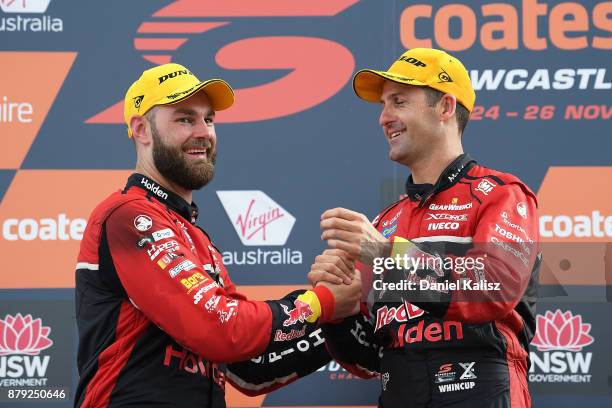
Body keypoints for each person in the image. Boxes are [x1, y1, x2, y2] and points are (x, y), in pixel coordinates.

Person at [74, 63, 360, 408]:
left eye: (208, 119)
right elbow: (219, 328)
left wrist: (338, 314)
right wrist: (320, 303)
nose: (203, 132)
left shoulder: (195, 238)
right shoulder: (130, 217)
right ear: (141, 129)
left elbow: (250, 369)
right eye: (184, 119)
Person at [308, 48, 541, 407]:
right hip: (399, 391)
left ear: (446, 107)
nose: (384, 117)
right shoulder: (384, 223)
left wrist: (387, 254)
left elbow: (494, 285)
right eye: (384, 105)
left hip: (480, 390)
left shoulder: (500, 195)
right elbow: (370, 356)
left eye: (398, 101)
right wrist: (338, 313)